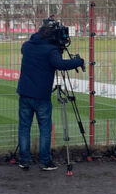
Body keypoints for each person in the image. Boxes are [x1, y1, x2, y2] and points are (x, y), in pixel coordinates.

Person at [16, 21, 84, 171]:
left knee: (24, 128)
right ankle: (45, 161)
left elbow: (34, 42)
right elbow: (60, 64)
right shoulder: (50, 50)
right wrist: (78, 61)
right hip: (41, 96)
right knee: (45, 129)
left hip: (24, 93)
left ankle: (24, 160)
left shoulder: (27, 46)